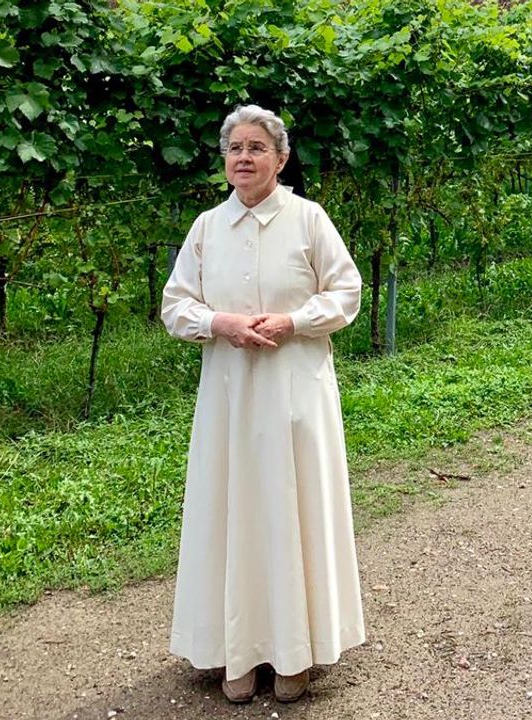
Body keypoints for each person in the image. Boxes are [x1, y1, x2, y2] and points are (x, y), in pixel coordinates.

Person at [160, 105, 365, 704]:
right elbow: (175, 306)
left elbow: (346, 292)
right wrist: (217, 321)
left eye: (256, 148)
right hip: (229, 397)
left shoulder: (308, 219)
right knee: (231, 511)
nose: (243, 157)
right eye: (235, 148)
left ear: (280, 159)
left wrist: (295, 320)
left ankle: (295, 651)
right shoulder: (206, 228)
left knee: (287, 509)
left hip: (293, 393)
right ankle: (234, 652)